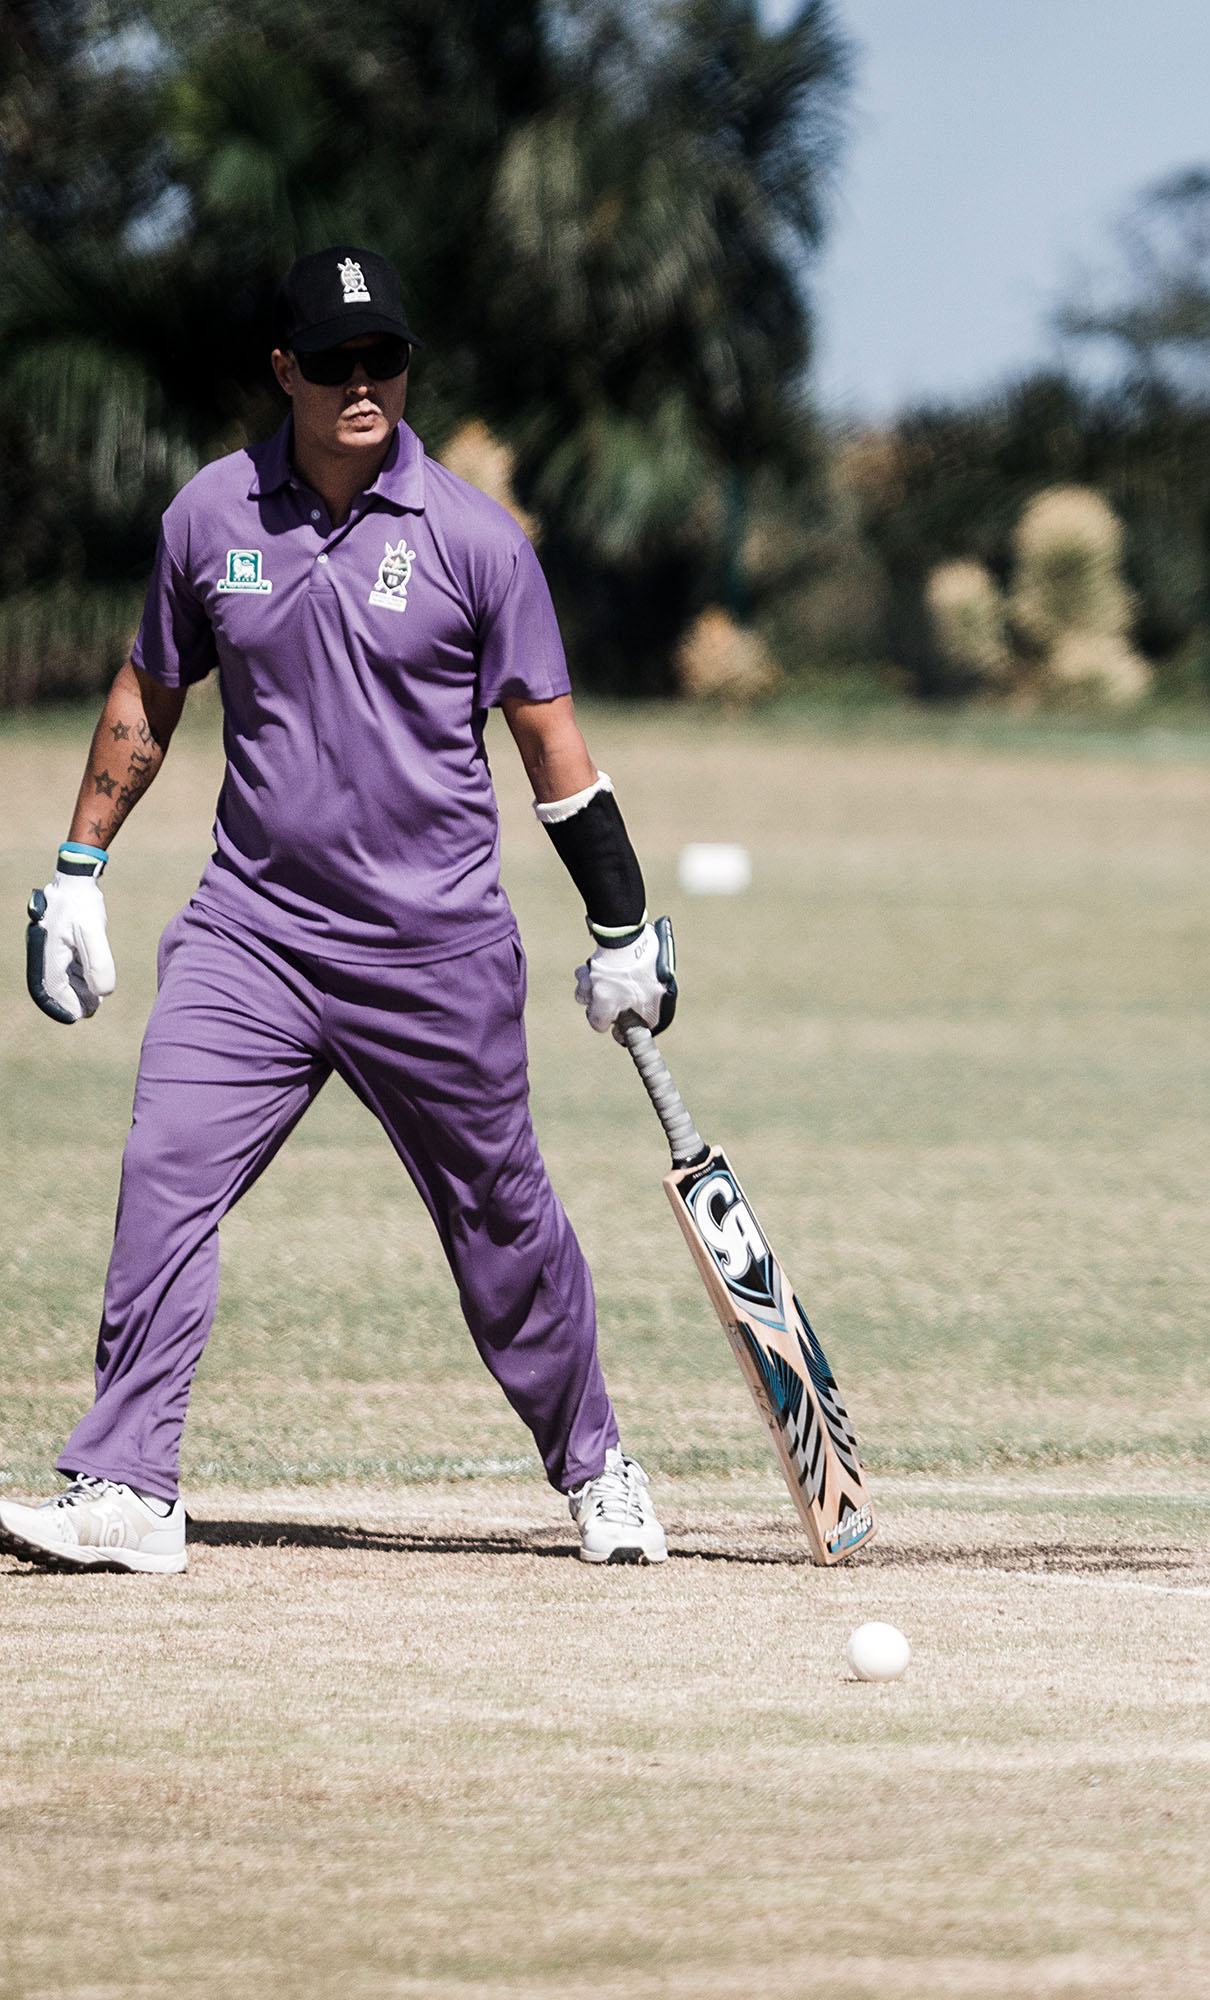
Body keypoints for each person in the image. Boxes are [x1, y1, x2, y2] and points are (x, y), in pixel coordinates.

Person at [5, 245, 681, 1575]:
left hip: (431, 951)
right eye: (333, 362)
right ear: (285, 372)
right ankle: (129, 1491)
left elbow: (555, 751)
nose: (362, 383)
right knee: (165, 1174)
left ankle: (598, 1467)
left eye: (384, 359)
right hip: (250, 933)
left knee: (500, 1223)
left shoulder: (479, 541)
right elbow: (149, 692)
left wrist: (623, 927)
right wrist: (78, 870)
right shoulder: (210, 518)